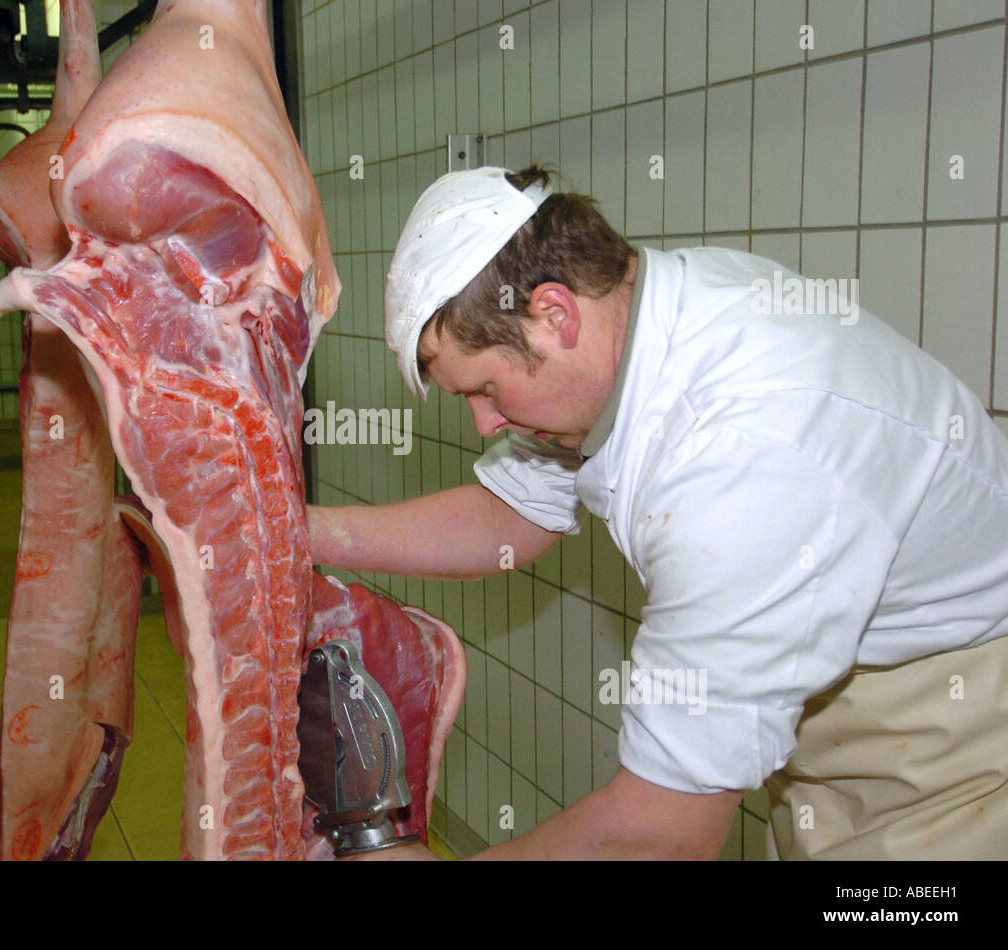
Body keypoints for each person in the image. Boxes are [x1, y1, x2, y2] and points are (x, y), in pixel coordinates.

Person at [309, 165, 1008, 860]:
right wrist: (301, 533)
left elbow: (659, 837)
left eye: (488, 389)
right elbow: (506, 521)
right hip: (848, 740)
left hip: (960, 765)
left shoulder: (743, 462)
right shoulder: (652, 316)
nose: (486, 425)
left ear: (555, 313)